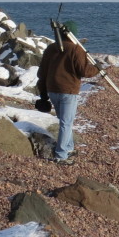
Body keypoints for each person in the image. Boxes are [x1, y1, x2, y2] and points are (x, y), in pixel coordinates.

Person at [36, 20, 98, 163]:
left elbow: (42, 72)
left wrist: (43, 93)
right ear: (73, 34)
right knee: (66, 122)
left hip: (52, 89)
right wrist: (97, 68)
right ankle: (61, 155)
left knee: (64, 121)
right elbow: (84, 71)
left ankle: (69, 147)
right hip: (68, 90)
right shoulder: (76, 49)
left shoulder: (51, 48)